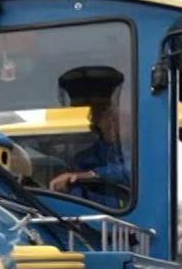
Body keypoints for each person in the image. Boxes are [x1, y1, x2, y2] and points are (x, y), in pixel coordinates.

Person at [49, 66, 130, 205]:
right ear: (95, 120)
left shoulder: (142, 150)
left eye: (118, 114)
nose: (114, 120)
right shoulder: (83, 160)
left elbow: (134, 173)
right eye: (105, 113)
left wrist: (92, 175)